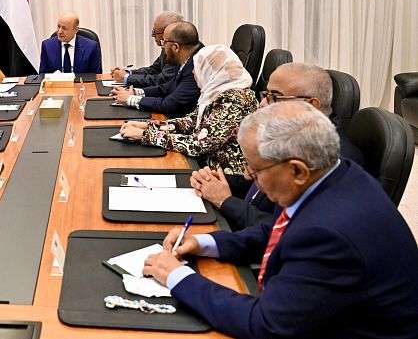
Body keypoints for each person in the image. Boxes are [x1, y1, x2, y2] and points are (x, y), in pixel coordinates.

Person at [142, 101, 418, 339]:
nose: (248, 176)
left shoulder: (328, 235)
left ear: (297, 170)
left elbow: (266, 325)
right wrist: (204, 243)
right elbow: (276, 231)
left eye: (255, 169)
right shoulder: (335, 174)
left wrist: (177, 276)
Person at [191, 62, 367, 230]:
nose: (262, 104)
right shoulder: (294, 136)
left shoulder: (329, 160)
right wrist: (216, 182)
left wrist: (225, 201)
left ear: (311, 105)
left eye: (274, 97)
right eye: (266, 95)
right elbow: (260, 191)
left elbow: (285, 229)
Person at [120, 45, 257, 197]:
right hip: (207, 168)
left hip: (227, 179)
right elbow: (191, 122)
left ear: (211, 71)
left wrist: (146, 135)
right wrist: (150, 125)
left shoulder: (235, 101)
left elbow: (199, 144)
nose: (193, 72)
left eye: (197, 68)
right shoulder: (218, 91)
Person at [111, 21, 201, 118]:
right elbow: (168, 87)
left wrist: (129, 99)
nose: (163, 47)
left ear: (175, 47)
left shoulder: (195, 67)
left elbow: (169, 104)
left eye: (164, 42)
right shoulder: (188, 58)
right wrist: (135, 92)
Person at [110, 11, 183, 87]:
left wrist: (127, 78)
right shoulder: (166, 46)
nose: (153, 35)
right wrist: (127, 72)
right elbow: (154, 70)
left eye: (156, 32)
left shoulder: (177, 50)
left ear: (168, 32)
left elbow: (162, 80)